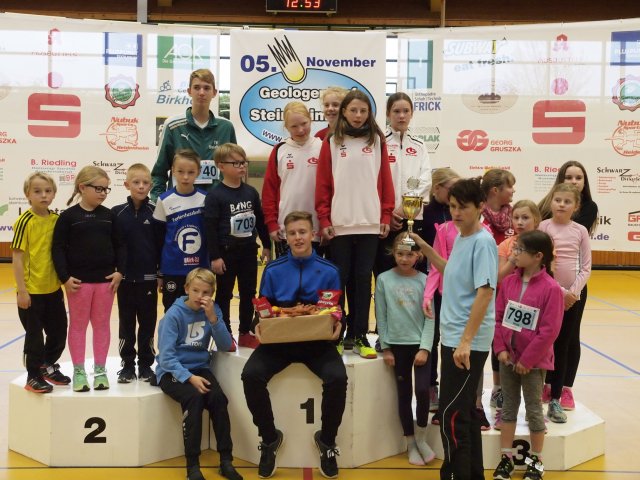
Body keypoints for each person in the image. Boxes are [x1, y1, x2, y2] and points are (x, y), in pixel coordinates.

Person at [241, 211, 346, 479]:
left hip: (316, 343)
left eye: (302, 232)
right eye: (292, 233)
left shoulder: (330, 270)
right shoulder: (273, 270)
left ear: (313, 234)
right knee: (250, 375)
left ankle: (327, 442)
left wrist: (338, 327)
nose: (298, 238)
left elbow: (337, 311)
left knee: (337, 378)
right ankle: (269, 439)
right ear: (285, 237)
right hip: (280, 342)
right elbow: (262, 308)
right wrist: (257, 325)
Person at [410, 177, 497, 480]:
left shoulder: (483, 242)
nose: (456, 213)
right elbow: (453, 271)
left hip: (466, 342)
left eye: (463, 207)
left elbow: (485, 292)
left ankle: (455, 473)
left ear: (480, 207)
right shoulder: (462, 237)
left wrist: (466, 341)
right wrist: (426, 248)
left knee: (451, 415)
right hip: (453, 337)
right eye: (453, 207)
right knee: (465, 413)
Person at [316, 89, 395, 359]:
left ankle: (360, 335)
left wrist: (385, 216)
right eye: (353, 110)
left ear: (369, 113)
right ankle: (339, 334)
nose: (358, 115)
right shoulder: (332, 140)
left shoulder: (376, 140)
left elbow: (385, 180)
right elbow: (323, 183)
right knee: (340, 279)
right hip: (340, 224)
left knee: (363, 281)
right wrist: (324, 218)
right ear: (344, 112)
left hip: (370, 224)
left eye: (363, 110)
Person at [156, 267, 243, 480]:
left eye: (206, 292)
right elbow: (166, 358)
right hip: (171, 371)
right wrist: (189, 378)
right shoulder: (174, 315)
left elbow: (226, 345)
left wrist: (213, 319)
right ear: (187, 289)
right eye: (195, 290)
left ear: (212, 294)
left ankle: (226, 460)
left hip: (200, 368)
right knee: (194, 399)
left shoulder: (213, 310)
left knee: (218, 399)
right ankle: (192, 467)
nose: (200, 296)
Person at [492, 230, 563, 480]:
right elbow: (498, 317)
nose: (514, 253)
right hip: (508, 359)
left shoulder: (551, 289)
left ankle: (536, 462)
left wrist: (527, 360)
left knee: (534, 410)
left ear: (538, 256)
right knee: (507, 409)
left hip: (532, 363)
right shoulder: (509, 282)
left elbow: (549, 331)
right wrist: (500, 348)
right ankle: (506, 460)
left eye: (520, 250)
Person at [52, 166, 125, 392]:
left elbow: (120, 246)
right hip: (78, 284)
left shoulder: (109, 216)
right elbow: (57, 249)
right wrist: (65, 278)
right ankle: (79, 372)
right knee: (78, 326)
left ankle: (100, 371)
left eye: (106, 189)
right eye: (99, 189)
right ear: (82, 187)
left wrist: (120, 271)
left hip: (105, 282)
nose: (103, 193)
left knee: (102, 325)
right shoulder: (68, 217)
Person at [376, 233, 436, 466]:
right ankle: (410, 442)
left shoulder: (425, 280)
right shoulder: (383, 279)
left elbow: (430, 318)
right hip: (397, 346)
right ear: (393, 253)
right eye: (400, 254)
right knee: (404, 393)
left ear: (418, 256)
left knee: (422, 391)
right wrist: (387, 347)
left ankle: (421, 438)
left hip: (419, 346)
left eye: (409, 254)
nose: (404, 258)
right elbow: (381, 315)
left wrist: (425, 348)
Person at [204, 143, 270, 349]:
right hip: (226, 254)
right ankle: (225, 334)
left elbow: (260, 221)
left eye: (243, 162)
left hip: (248, 251)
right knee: (224, 294)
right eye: (236, 163)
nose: (242, 166)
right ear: (221, 166)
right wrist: (215, 257)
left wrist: (266, 245)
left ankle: (244, 332)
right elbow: (210, 229)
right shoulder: (215, 195)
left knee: (249, 293)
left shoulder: (250, 192)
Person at [11, 172, 69, 393]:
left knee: (59, 333)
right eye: (37, 191)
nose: (43, 195)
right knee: (34, 338)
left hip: (53, 289)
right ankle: (33, 376)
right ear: (28, 194)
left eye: (48, 191)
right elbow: (17, 258)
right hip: (31, 292)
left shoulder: (56, 220)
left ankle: (47, 366)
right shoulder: (24, 221)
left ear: (54, 194)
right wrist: (22, 291)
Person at [538, 183, 592, 422]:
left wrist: (573, 293)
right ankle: (540, 388)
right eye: (558, 200)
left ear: (576, 206)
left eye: (567, 201)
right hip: (547, 295)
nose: (561, 204)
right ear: (551, 202)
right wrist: (559, 292)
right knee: (544, 343)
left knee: (563, 345)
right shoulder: (543, 227)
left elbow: (586, 266)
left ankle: (556, 398)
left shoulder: (580, 231)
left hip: (572, 299)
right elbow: (540, 264)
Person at [151, 68, 237, 202]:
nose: (201, 92)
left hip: (216, 205)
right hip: (180, 205)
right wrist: (158, 202)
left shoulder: (226, 127)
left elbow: (233, 170)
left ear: (214, 93)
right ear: (189, 91)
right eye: (197, 87)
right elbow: (159, 173)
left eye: (206, 88)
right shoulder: (173, 126)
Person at [374, 92, 432, 276]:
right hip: (384, 219)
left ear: (411, 113)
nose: (401, 116)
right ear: (387, 114)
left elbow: (426, 180)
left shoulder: (419, 145)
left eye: (406, 111)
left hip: (412, 217)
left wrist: (404, 209)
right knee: (384, 271)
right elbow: (373, 181)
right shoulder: (378, 141)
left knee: (413, 271)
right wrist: (387, 213)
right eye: (396, 111)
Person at [112, 164, 158, 383]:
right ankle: (127, 365)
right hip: (125, 280)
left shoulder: (156, 211)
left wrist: (160, 273)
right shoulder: (117, 213)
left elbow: (161, 244)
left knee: (148, 324)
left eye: (145, 183)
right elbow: (113, 246)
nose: (141, 186)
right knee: (127, 323)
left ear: (151, 185)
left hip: (148, 279)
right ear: (126, 184)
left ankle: (146, 365)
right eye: (136, 182)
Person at [420, 167, 460, 413]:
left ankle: (452, 387)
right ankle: (431, 386)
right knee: (431, 337)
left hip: (457, 285)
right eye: (452, 189)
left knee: (453, 337)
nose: (456, 195)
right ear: (437, 188)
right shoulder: (424, 212)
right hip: (432, 282)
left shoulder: (459, 213)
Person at [262, 102, 323, 257]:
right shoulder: (279, 150)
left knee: (314, 271)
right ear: (286, 127)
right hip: (285, 228)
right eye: (294, 126)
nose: (300, 130)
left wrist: (326, 223)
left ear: (311, 120)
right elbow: (269, 190)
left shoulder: (322, 147)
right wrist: (272, 223)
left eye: (304, 124)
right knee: (287, 271)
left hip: (316, 228)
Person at [481, 168, 516, 425]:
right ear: (496, 190)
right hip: (484, 287)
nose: (513, 191)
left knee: (505, 338)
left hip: (509, 288)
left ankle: (502, 388)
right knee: (487, 338)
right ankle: (485, 390)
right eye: (509, 186)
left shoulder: (514, 216)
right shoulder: (477, 215)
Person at [154, 149, 209, 313]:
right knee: (172, 311)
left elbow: (211, 235)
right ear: (173, 171)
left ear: (198, 172)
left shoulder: (206, 199)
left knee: (198, 312)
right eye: (180, 171)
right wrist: (159, 272)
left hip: (199, 269)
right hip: (172, 269)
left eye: (191, 172)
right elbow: (158, 239)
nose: (185, 177)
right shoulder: (164, 200)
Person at [538, 160, 598, 236]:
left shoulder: (590, 207)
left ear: (584, 182)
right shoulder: (544, 205)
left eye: (578, 178)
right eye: (569, 178)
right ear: (561, 180)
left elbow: (573, 235)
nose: (574, 182)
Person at [497, 200, 542, 284]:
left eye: (525, 218)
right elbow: (500, 278)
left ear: (536, 220)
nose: (519, 222)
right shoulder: (505, 244)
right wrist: (514, 255)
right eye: (516, 218)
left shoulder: (543, 241)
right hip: (510, 289)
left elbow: (550, 274)